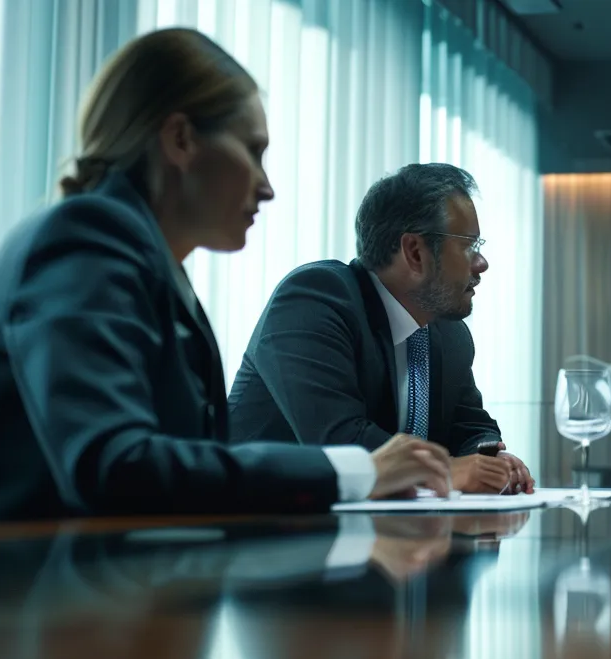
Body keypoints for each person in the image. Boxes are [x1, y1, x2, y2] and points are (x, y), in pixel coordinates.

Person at [0, 29, 451, 525]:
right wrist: (358, 472)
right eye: (253, 151)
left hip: (98, 589)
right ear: (180, 139)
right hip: (0, 602)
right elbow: (115, 466)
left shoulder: (148, 266)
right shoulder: (86, 237)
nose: (266, 187)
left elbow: (181, 466)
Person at [228, 163, 533, 495]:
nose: (481, 263)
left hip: (384, 534)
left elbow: (471, 428)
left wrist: (490, 459)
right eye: (469, 246)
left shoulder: (449, 334)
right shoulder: (314, 301)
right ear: (415, 252)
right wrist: (448, 471)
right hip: (262, 531)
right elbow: (339, 444)